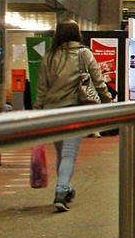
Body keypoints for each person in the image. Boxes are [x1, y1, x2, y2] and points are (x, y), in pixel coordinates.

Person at [34, 20, 113, 211]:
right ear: (77, 34)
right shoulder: (83, 54)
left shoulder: (49, 56)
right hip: (75, 110)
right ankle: (61, 191)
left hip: (53, 112)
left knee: (61, 153)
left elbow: (41, 88)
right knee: (68, 154)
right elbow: (98, 81)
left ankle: (67, 188)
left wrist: (38, 110)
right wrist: (108, 101)